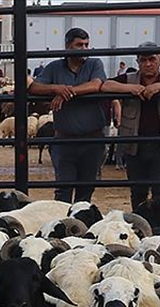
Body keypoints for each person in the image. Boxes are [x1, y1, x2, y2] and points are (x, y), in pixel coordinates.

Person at [101, 41, 160, 210]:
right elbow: (106, 85)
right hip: (134, 144)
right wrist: (129, 88)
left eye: (152, 59)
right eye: (143, 60)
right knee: (137, 190)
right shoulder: (129, 78)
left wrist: (158, 87)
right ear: (138, 62)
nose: (148, 64)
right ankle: (140, 224)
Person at [28, 27, 107, 203]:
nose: (84, 49)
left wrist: (67, 91)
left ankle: (79, 224)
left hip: (92, 139)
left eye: (87, 45)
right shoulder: (54, 67)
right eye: (79, 45)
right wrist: (56, 88)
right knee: (63, 189)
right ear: (68, 46)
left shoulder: (94, 63)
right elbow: (34, 87)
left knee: (86, 189)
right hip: (65, 140)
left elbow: (96, 85)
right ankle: (63, 227)